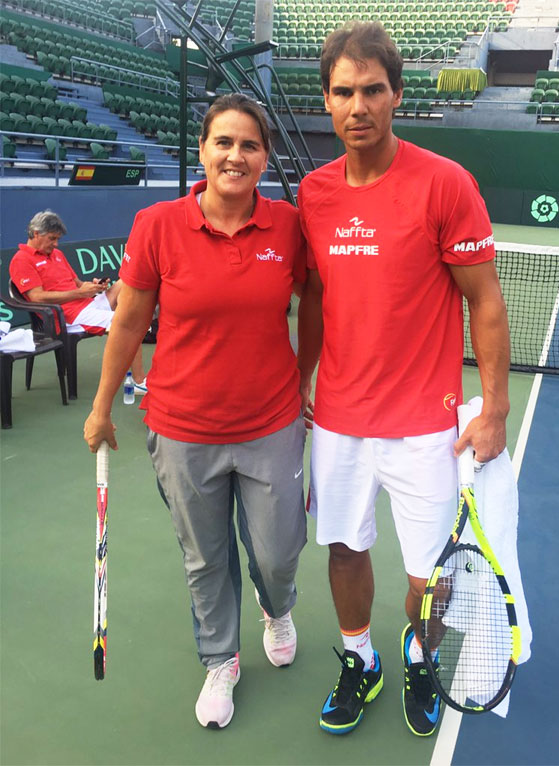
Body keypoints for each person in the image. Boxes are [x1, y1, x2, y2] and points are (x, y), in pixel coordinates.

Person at [297, 21, 511, 737]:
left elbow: (484, 300)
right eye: (343, 92)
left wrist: (495, 409)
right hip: (338, 420)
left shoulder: (445, 183)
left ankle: (419, 657)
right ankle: (361, 661)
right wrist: (303, 378)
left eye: (372, 91)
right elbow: (319, 298)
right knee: (345, 550)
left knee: (431, 571)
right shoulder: (314, 194)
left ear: (397, 96)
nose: (357, 107)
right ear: (326, 101)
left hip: (426, 425)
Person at [83, 94, 308, 730]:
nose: (235, 155)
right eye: (223, 143)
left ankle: (277, 606)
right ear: (203, 150)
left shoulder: (289, 225)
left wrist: (311, 379)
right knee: (206, 557)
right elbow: (128, 320)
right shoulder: (157, 224)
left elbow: (318, 303)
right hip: (182, 429)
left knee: (277, 552)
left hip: (272, 423)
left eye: (249, 145)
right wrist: (103, 408)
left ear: (264, 157)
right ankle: (221, 659)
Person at [9, 210, 146, 391]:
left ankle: (118, 323)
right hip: (66, 317)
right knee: (129, 322)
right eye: (52, 238)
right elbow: (37, 297)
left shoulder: (57, 254)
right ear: (36, 234)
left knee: (126, 281)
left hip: (86, 305)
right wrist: (80, 293)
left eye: (57, 239)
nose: (56, 244)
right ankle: (139, 382)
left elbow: (79, 284)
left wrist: (94, 286)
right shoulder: (21, 260)